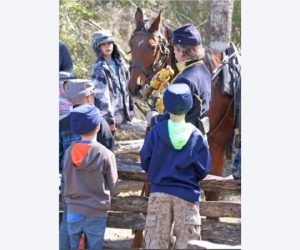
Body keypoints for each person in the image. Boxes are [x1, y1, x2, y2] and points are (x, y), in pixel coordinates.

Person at [140, 83, 211, 249]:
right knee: (188, 244)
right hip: (187, 195)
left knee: (156, 244)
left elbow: (145, 160)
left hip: (159, 194)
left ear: (165, 104)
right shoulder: (196, 136)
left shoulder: (156, 132)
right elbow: (204, 168)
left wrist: (156, 173)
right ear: (189, 105)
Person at [59, 79, 115, 250]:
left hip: (71, 187)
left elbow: (58, 157)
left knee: (67, 226)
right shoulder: (100, 122)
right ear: (89, 98)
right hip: (96, 194)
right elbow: (110, 149)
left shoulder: (61, 125)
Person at [149, 23, 211, 134]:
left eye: (175, 50)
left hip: (182, 142)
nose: (173, 52)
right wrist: (168, 91)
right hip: (198, 138)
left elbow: (171, 122)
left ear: (182, 52)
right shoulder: (203, 70)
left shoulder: (184, 80)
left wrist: (153, 118)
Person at [91, 29, 135, 134]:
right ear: (98, 47)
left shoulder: (121, 64)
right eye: (103, 44)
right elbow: (101, 97)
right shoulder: (99, 68)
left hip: (126, 117)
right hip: (111, 120)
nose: (108, 46)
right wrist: (108, 120)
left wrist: (131, 111)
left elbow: (128, 89)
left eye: (110, 43)